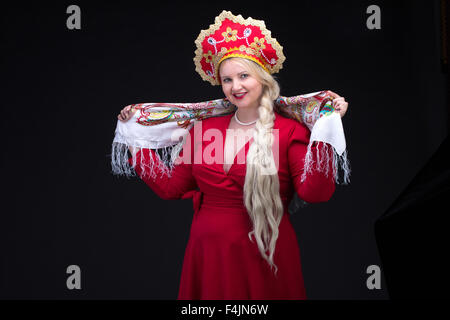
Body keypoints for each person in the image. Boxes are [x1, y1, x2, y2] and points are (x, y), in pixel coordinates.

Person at [117, 11, 348, 300]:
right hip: (207, 255)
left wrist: (327, 131)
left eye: (243, 76)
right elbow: (171, 187)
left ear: (262, 78)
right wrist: (134, 138)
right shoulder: (203, 129)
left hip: (265, 256)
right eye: (227, 80)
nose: (235, 87)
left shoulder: (289, 131)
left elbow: (316, 193)